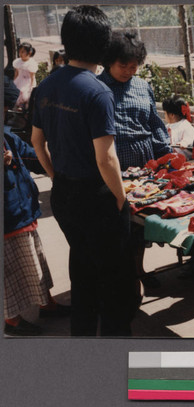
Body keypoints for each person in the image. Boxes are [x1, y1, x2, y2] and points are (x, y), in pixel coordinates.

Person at [31, 5, 139, 336]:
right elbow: (106, 159)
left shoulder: (46, 86)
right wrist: (121, 200)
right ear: (103, 45)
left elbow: (37, 142)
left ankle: (82, 346)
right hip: (97, 198)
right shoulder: (97, 91)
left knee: (82, 272)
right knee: (116, 287)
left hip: (64, 194)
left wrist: (55, 177)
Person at [3, 75, 70, 336]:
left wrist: (57, 154)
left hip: (23, 212)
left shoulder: (8, 136)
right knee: (11, 273)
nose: (5, 112)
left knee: (35, 263)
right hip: (7, 219)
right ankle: (12, 321)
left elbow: (32, 153)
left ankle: (47, 303)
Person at [98, 31, 171, 171]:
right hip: (112, 161)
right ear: (109, 62)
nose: (128, 71)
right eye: (123, 66)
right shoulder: (97, 88)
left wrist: (166, 153)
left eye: (133, 67)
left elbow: (154, 123)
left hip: (145, 161)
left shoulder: (143, 86)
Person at [13, 42, 37, 109]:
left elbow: (32, 77)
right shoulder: (17, 62)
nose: (20, 54)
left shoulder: (31, 63)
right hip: (19, 80)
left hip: (27, 82)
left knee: (25, 95)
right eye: (19, 51)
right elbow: (16, 74)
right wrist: (13, 82)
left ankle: (25, 108)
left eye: (22, 52)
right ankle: (17, 108)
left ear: (29, 52)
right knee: (16, 93)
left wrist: (32, 86)